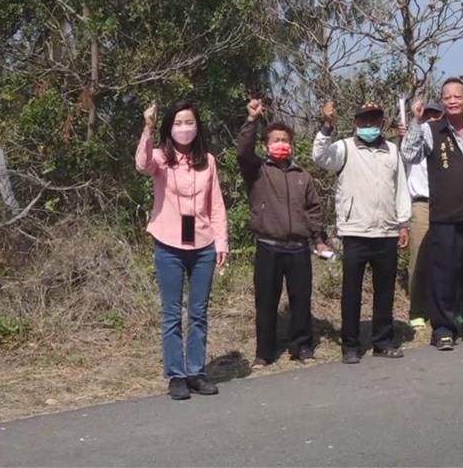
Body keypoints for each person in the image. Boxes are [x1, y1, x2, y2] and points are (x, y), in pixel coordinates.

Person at [136, 99, 228, 400]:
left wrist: (221, 241)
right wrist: (147, 128)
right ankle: (176, 375)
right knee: (172, 313)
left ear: (198, 126)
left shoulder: (209, 161)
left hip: (202, 245)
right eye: (178, 123)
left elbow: (216, 206)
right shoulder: (161, 158)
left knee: (199, 312)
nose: (184, 128)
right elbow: (142, 164)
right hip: (169, 245)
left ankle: (196, 372)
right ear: (169, 127)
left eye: (189, 122)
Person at [402, 77, 463, 350]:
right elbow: (408, 155)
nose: (453, 100)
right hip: (443, 217)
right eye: (447, 97)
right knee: (442, 275)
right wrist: (416, 121)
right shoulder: (431, 131)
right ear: (443, 102)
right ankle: (443, 329)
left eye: (458, 96)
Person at [312, 100, 411, 363]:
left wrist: (403, 223)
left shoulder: (391, 150)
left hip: (386, 231)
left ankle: (383, 341)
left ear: (381, 122)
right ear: (356, 123)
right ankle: (351, 345)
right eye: (364, 120)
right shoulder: (344, 148)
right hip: (355, 230)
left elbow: (400, 187)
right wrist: (327, 126)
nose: (369, 125)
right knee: (351, 292)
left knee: (385, 291)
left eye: (374, 120)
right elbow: (319, 157)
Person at [238, 98, 331, 368]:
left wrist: (319, 241)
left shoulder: (302, 175)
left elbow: (313, 211)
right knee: (266, 303)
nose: (281, 144)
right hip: (269, 246)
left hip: (299, 248)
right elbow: (243, 152)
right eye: (275, 140)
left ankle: (302, 347)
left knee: (301, 301)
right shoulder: (257, 171)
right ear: (266, 145)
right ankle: (264, 353)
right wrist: (252, 121)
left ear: (291, 145)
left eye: (285, 140)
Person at [400, 102, 445, 330]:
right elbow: (406, 152)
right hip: (422, 205)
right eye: (427, 116)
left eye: (436, 116)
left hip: (447, 204)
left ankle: (446, 308)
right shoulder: (413, 142)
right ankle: (417, 310)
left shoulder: (447, 141)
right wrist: (414, 125)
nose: (432, 120)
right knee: (419, 259)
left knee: (449, 259)